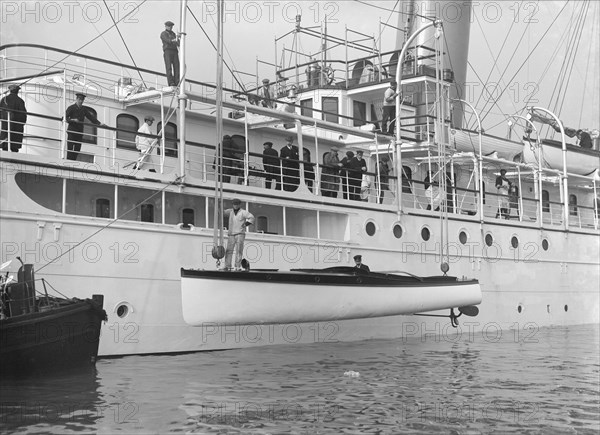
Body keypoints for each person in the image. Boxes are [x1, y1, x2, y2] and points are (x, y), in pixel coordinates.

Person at [65, 93, 102, 161]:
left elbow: (91, 117)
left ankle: (73, 160)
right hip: (72, 131)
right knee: (70, 148)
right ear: (76, 99)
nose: (81, 101)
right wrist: (73, 120)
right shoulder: (71, 108)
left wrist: (99, 124)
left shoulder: (84, 109)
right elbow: (65, 118)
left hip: (79, 131)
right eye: (79, 99)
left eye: (82, 100)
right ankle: (69, 161)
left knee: (77, 149)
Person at [223, 198, 255, 271]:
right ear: (233, 205)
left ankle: (237, 266)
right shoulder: (230, 211)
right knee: (228, 250)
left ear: (239, 204)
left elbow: (252, 218)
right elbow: (222, 213)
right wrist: (219, 205)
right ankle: (227, 265)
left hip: (240, 234)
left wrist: (246, 224)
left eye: (237, 204)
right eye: (234, 204)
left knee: (238, 250)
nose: (235, 205)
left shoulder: (243, 212)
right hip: (231, 234)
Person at [0, 84, 27, 152]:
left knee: (5, 144)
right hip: (16, 126)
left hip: (6, 125)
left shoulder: (4, 99)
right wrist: (20, 123)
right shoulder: (20, 101)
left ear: (10, 90)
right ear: (17, 91)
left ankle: (5, 149)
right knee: (14, 145)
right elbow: (23, 116)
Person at [160, 21, 180, 87]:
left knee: (177, 67)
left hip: (174, 51)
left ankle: (177, 82)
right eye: (169, 26)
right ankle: (171, 82)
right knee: (169, 68)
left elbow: (179, 43)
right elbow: (167, 40)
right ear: (166, 26)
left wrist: (178, 38)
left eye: (171, 26)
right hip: (167, 51)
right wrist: (174, 40)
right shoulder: (163, 33)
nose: (170, 27)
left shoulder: (174, 34)